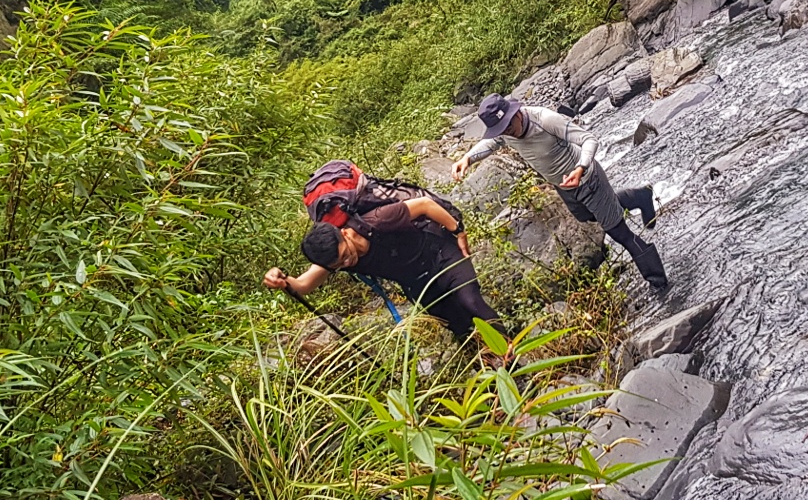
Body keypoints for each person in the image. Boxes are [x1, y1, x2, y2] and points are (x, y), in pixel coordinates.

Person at [451, 94, 667, 292]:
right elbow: (491, 142)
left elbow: (589, 139)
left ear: (515, 113)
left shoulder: (545, 120)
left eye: (508, 125)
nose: (507, 132)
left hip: (587, 178)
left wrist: (581, 168)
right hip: (563, 185)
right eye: (501, 130)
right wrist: (467, 158)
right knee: (588, 216)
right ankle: (640, 196)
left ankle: (658, 282)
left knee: (619, 233)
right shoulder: (504, 132)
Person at [264, 193, 502, 341]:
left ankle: (512, 354)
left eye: (346, 255)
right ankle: (489, 363)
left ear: (345, 233)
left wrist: (457, 230)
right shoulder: (335, 258)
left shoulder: (377, 220)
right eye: (339, 265)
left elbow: (424, 205)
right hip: (417, 281)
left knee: (471, 302)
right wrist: (282, 280)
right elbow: (303, 285)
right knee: (457, 326)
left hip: (439, 253)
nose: (347, 263)